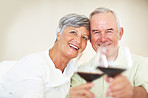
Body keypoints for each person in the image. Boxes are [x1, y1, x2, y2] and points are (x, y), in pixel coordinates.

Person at [0, 13, 92, 98]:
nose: (79, 41)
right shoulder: (33, 65)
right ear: (59, 34)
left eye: (84, 38)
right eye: (73, 32)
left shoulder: (74, 67)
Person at [70, 7, 148, 98]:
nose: (103, 39)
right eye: (96, 32)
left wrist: (132, 92)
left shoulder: (142, 64)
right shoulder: (80, 72)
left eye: (109, 31)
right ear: (90, 38)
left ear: (120, 33)